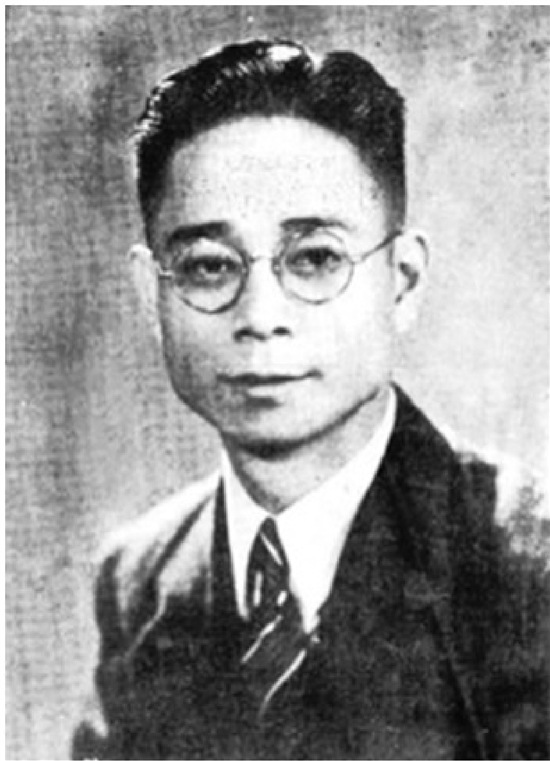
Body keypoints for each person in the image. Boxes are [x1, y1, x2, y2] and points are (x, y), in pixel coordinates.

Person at [72, 39, 549, 760]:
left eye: (316, 258)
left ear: (402, 282)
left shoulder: (526, 564)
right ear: (152, 296)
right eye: (209, 266)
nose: (261, 316)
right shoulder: (141, 579)